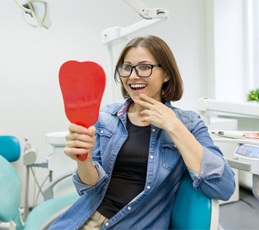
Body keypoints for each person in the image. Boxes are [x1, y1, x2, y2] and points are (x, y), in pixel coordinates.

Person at [49, 35, 235, 230]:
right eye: (127, 67)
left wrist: (173, 125)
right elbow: (89, 187)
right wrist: (83, 160)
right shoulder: (106, 117)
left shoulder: (188, 123)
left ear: (167, 74)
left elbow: (223, 187)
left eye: (145, 67)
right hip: (84, 219)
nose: (133, 76)